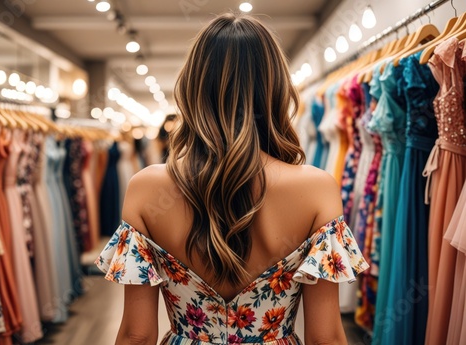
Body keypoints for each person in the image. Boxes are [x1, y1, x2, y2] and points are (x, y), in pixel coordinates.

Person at [95, 12, 369, 345]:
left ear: (192, 88)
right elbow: (326, 338)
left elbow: (136, 336)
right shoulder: (316, 188)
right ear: (276, 89)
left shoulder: (147, 187)